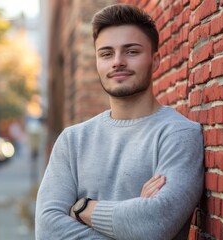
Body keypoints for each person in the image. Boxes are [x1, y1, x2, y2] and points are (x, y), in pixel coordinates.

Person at [35, 4, 204, 240]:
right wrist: (132, 220)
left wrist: (82, 208)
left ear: (155, 61)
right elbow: (48, 230)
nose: (117, 62)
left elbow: (155, 223)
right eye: (106, 54)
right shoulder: (73, 140)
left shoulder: (179, 134)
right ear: (97, 62)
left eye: (131, 51)